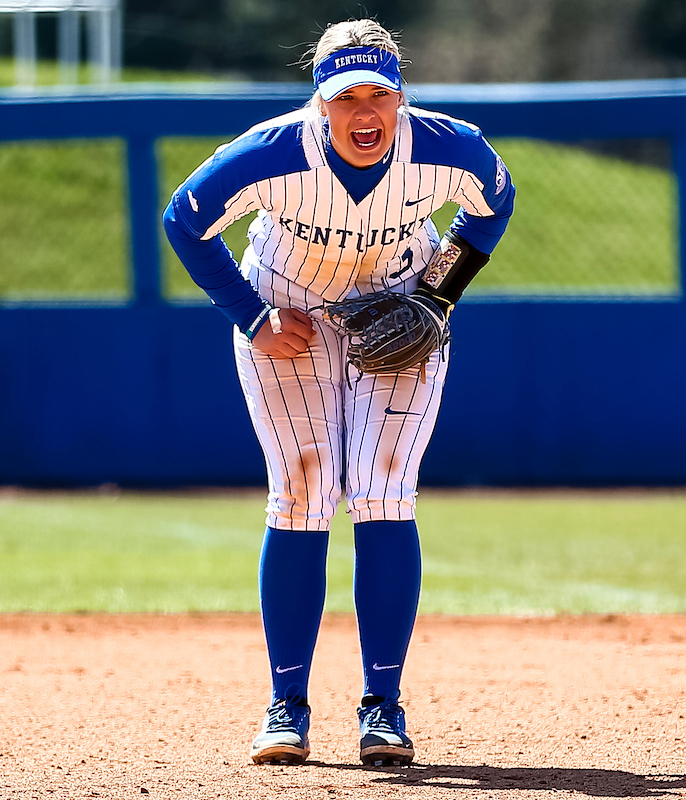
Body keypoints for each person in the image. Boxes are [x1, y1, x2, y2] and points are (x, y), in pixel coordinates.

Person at [163, 18, 514, 766]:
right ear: (319, 105)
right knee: (302, 490)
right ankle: (286, 705)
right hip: (288, 320)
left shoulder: (449, 149)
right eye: (345, 97)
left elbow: (493, 209)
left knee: (384, 488)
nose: (364, 113)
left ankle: (382, 707)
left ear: (401, 97)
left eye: (378, 96)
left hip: (397, 320)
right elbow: (184, 220)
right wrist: (252, 317)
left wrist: (438, 297)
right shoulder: (273, 154)